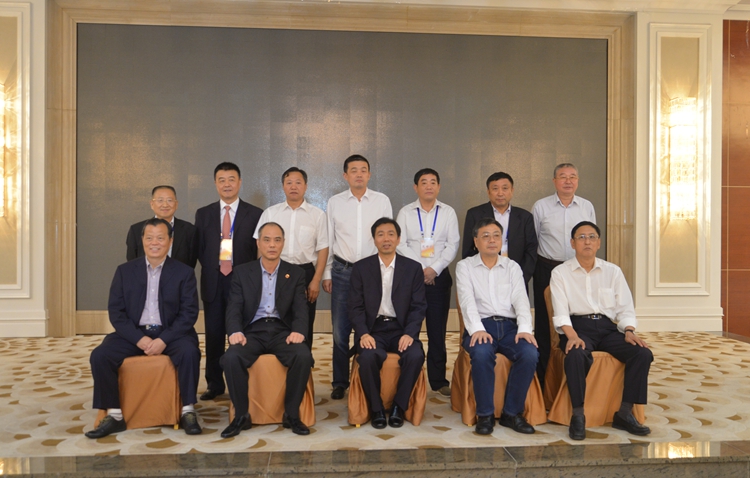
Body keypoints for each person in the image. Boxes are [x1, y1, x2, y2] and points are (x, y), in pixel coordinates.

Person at [86, 218, 202, 438]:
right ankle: (115, 414)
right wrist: (138, 339)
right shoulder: (125, 271)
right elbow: (116, 312)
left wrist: (163, 340)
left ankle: (187, 410)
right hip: (134, 333)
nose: (154, 243)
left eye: (160, 238)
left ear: (170, 241)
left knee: (189, 352)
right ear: (142, 241)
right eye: (149, 238)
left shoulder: (184, 272)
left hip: (170, 333)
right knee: (100, 355)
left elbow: (188, 314)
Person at [550, 221, 653, 440]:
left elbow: (625, 308)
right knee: (576, 354)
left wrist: (629, 330)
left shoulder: (612, 271)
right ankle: (578, 415)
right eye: (581, 237)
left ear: (599, 243)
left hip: (607, 328)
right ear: (572, 243)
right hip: (577, 327)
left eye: (592, 237)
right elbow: (560, 312)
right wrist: (572, 336)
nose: (587, 241)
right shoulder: (560, 272)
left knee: (642, 353)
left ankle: (624, 413)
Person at [220, 222, 314, 438]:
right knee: (231, 357)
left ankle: (292, 414)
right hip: (253, 331)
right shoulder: (242, 272)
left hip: (282, 331)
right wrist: (235, 331)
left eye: (277, 240)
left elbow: (301, 309)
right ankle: (241, 415)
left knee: (303, 355)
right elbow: (233, 307)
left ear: (283, 243)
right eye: (267, 240)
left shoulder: (295, 273)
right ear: (258, 243)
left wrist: (299, 331)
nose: (272, 245)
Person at [456, 218, 539, 436]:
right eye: (485, 236)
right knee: (482, 353)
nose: (492, 240)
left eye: (496, 236)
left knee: (530, 353)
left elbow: (521, 299)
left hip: (510, 328)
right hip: (481, 325)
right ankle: (485, 415)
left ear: (502, 240)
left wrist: (525, 329)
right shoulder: (465, 266)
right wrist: (477, 329)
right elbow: (466, 301)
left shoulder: (512, 267)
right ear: (476, 242)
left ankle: (512, 413)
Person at [322, 154, 393, 400]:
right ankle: (340, 381)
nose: (359, 174)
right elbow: (329, 238)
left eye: (363, 170)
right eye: (354, 170)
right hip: (343, 271)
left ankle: (365, 376)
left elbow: (387, 237)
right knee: (340, 330)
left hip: (373, 271)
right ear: (345, 175)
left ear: (369, 174)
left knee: (369, 326)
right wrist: (327, 272)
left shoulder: (382, 201)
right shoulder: (335, 202)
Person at [349, 218, 427, 429]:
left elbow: (418, 306)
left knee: (415, 355)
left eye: (391, 234)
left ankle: (398, 408)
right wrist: (363, 333)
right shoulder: (361, 268)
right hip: (373, 329)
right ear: (374, 239)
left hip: (401, 329)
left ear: (398, 239)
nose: (386, 239)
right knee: (367, 357)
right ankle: (376, 409)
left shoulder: (412, 268)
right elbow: (354, 307)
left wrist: (410, 333)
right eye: (380, 234)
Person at [195, 162, 263, 401]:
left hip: (242, 282)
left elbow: (257, 250)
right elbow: (200, 248)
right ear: (215, 183)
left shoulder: (255, 214)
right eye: (221, 180)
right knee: (214, 335)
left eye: (231, 179)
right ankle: (214, 384)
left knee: (242, 333)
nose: (227, 184)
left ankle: (242, 381)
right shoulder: (203, 214)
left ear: (240, 182)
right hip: (214, 281)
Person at [531, 163, 596, 389]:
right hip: (547, 268)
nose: (568, 181)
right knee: (545, 322)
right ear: (554, 181)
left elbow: (591, 240)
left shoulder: (586, 206)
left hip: (576, 269)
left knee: (575, 317)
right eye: (563, 177)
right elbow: (533, 240)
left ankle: (573, 368)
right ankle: (543, 376)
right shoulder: (541, 206)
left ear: (577, 181)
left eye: (572, 177)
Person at [396, 168, 459, 397]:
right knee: (408, 328)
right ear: (416, 187)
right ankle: (408, 375)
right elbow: (400, 243)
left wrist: (434, 269)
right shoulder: (405, 212)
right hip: (410, 278)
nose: (429, 186)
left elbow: (452, 244)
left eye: (433, 182)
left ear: (439, 187)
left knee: (437, 330)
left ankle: (438, 380)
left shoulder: (448, 212)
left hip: (439, 278)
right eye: (424, 182)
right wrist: (420, 269)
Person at [253, 167, 328, 348]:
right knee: (278, 317)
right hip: (275, 270)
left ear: (306, 186)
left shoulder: (317, 215)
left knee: (305, 319)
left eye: (298, 183)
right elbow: (260, 246)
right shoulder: (271, 213)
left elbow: (323, 249)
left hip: (305, 272)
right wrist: (261, 276)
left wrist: (316, 280)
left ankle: (304, 358)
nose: (293, 187)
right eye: (289, 183)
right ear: (283, 186)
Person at [462, 172, 537, 287]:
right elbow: (468, 250)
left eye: (505, 188)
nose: (500, 193)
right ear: (488, 192)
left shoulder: (525, 217)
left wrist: (520, 278)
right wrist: (479, 277)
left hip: (517, 279)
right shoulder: (474, 214)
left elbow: (531, 250)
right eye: (495, 189)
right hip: (483, 280)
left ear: (512, 190)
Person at [125, 185, 198, 268]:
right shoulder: (136, 230)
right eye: (160, 200)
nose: (165, 205)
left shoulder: (189, 230)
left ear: (176, 204)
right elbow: (132, 262)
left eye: (169, 200)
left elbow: (191, 263)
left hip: (179, 276)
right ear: (152, 204)